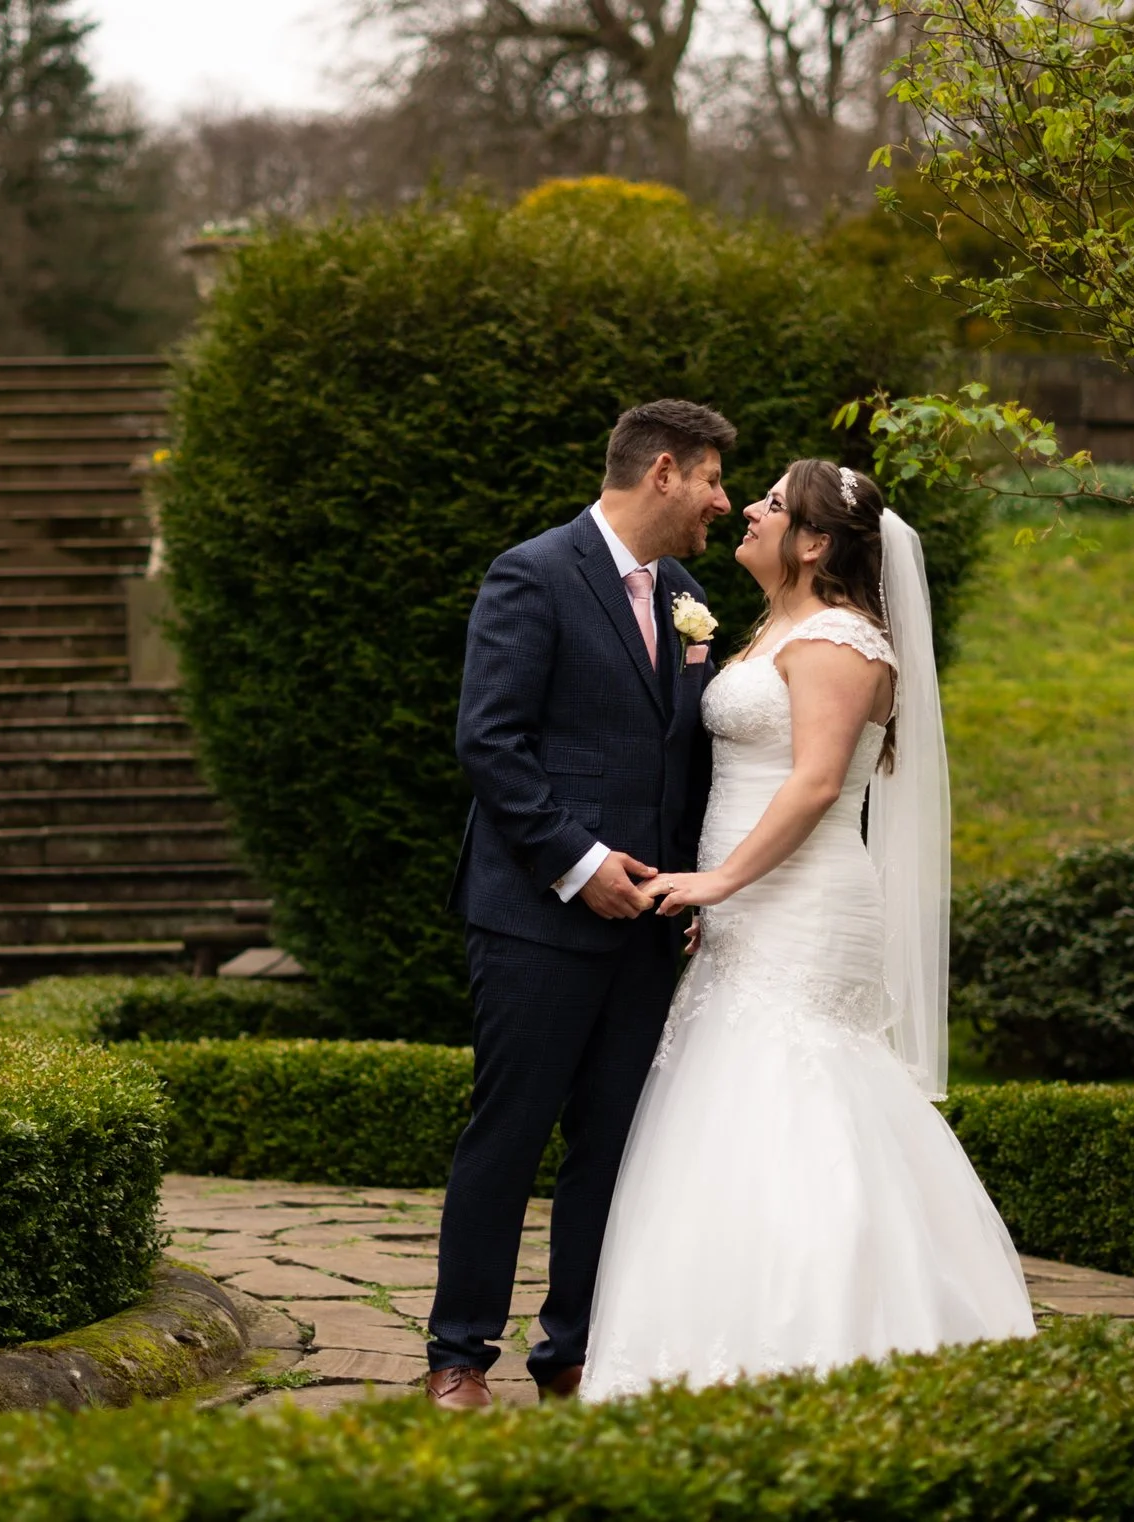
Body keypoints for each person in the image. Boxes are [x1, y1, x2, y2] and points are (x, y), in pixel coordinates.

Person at [580, 459, 1034, 1398]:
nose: (749, 508)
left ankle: (832, 1339)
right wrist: (721, 891)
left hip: (805, 902)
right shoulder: (773, 629)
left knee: (801, 1095)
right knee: (726, 1105)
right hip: (749, 905)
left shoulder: (841, 640)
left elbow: (818, 783)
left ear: (817, 542)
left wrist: (717, 881)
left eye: (775, 505)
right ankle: (706, 1343)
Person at [429, 399, 734, 1410]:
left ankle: (571, 1345)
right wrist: (581, 860)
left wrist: (687, 880)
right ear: (660, 471)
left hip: (646, 924)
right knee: (509, 1130)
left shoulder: (687, 596)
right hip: (535, 913)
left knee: (612, 1140)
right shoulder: (533, 572)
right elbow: (492, 743)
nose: (721, 504)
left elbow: (684, 764)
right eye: (710, 480)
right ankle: (458, 1353)